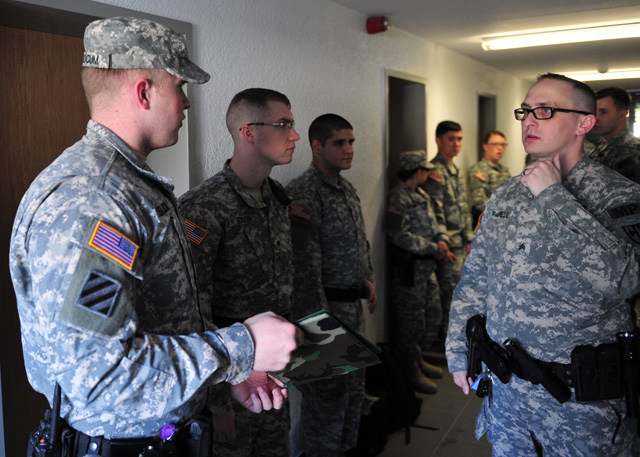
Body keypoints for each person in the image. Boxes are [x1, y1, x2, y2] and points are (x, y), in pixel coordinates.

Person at [9, 17, 301, 456]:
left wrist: (225, 376)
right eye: (180, 87)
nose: (186, 104)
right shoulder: (94, 199)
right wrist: (242, 345)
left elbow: (162, 322)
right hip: (123, 443)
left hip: (158, 435)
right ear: (144, 92)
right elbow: (101, 375)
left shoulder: (128, 186)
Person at [446, 73, 640, 455]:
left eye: (545, 111)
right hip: (508, 399)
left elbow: (622, 280)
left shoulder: (619, 195)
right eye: (525, 111)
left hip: (581, 410)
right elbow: (476, 278)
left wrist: (554, 197)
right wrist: (457, 349)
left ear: (584, 123)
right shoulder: (506, 194)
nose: (529, 121)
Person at [178, 88, 300, 456]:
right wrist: (216, 405)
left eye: (292, 125)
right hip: (230, 380)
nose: (294, 135)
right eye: (283, 125)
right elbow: (191, 312)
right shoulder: (203, 208)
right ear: (248, 132)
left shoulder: (275, 198)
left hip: (274, 371)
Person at [286, 114, 377, 457]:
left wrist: (366, 277)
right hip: (325, 319)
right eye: (340, 142)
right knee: (325, 408)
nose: (349, 149)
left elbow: (356, 242)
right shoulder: (304, 194)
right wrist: (319, 334)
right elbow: (304, 269)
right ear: (317, 146)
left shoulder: (345, 188)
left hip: (353, 312)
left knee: (352, 401)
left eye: (351, 141)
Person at [386, 150, 454, 394]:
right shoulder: (398, 198)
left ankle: (417, 357)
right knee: (410, 321)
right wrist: (434, 248)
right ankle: (409, 369)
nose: (428, 173)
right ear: (418, 171)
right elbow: (398, 235)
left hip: (428, 267)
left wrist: (442, 241)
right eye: (425, 169)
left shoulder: (422, 195)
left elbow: (436, 224)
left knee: (431, 314)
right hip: (410, 270)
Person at [421, 121, 473, 348]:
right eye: (451, 139)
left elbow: (463, 207)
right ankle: (446, 344)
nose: (456, 144)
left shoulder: (455, 170)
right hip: (448, 247)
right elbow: (435, 211)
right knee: (449, 297)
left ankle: (455, 341)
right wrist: (443, 241)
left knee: (460, 295)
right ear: (438, 141)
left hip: (461, 244)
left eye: (460, 139)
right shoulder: (435, 172)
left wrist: (469, 238)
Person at [591, 86, 640, 185]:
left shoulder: (632, 150)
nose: (595, 118)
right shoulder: (603, 146)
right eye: (594, 112)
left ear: (622, 115)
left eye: (603, 112)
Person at [467, 131, 511, 228]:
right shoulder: (477, 170)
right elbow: (479, 201)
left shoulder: (504, 171)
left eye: (503, 145)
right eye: (495, 144)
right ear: (485, 146)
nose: (500, 148)